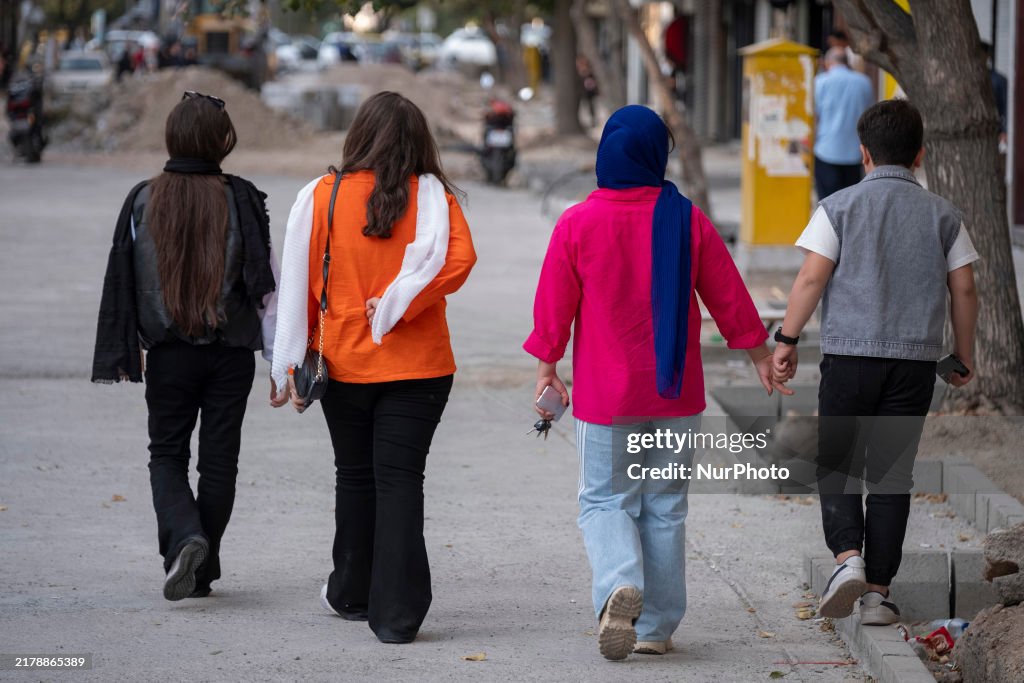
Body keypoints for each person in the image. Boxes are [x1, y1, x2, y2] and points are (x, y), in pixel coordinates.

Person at [524, 105, 786, 661]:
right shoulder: (686, 218)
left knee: (603, 501)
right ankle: (654, 628)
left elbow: (554, 307)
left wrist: (547, 366)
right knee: (665, 507)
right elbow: (728, 294)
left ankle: (620, 583)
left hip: (606, 396)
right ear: (655, 156)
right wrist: (760, 355)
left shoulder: (577, 223)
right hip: (675, 393)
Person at [271, 91, 476, 644]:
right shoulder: (436, 199)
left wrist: (290, 364)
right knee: (401, 481)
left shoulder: (322, 196)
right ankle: (397, 616)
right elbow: (459, 262)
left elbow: (302, 286)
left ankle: (351, 593)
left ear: (358, 136)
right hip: (422, 369)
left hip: (343, 366)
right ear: (419, 141)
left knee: (354, 476)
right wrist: (400, 301)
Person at [772, 99, 979, 625]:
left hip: (849, 358)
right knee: (891, 475)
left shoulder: (837, 207)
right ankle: (878, 596)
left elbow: (811, 279)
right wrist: (962, 355)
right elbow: (965, 290)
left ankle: (848, 560)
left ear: (863, 154)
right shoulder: (944, 215)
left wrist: (786, 338)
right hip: (912, 365)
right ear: (920, 156)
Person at [92, 92, 282, 601]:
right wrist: (278, 358)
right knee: (220, 462)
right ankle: (201, 564)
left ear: (172, 136)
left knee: (167, 455)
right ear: (223, 141)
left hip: (169, 353)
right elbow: (265, 285)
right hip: (231, 353)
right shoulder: (241, 196)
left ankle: (186, 540)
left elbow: (127, 278)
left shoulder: (142, 198)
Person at [813, 47, 873, 200]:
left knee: (827, 205)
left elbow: (814, 116)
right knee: (850, 203)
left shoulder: (820, 82)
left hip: (826, 151)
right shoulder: (864, 83)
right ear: (847, 62)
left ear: (827, 62)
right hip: (855, 153)